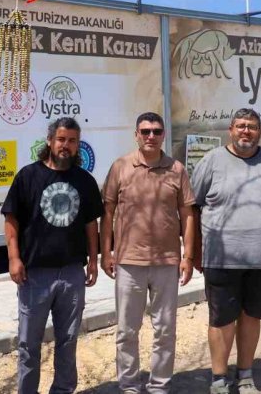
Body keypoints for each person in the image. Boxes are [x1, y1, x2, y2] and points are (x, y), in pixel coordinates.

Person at [191, 108, 261, 394]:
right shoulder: (212, 161)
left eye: (251, 126)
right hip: (222, 257)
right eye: (240, 126)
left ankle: (246, 373)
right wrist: (195, 252)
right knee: (222, 318)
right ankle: (218, 378)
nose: (246, 131)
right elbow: (193, 206)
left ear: (259, 132)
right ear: (231, 129)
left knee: (252, 315)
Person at [2, 116, 104, 394]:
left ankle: (63, 390)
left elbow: (91, 225)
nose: (66, 146)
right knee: (28, 345)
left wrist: (93, 260)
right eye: (61, 139)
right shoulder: (28, 176)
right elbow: (11, 220)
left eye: (72, 141)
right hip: (35, 275)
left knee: (68, 340)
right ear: (49, 141)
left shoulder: (84, 180)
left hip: (71, 273)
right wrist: (14, 258)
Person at [101, 112, 197, 394]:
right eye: (145, 131)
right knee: (126, 331)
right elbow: (107, 212)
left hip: (167, 261)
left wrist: (187, 256)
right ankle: (130, 385)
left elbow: (188, 215)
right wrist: (105, 252)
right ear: (136, 134)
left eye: (156, 131)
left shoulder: (177, 169)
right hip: (129, 261)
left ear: (163, 134)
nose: (151, 136)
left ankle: (159, 385)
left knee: (165, 330)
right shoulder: (121, 167)